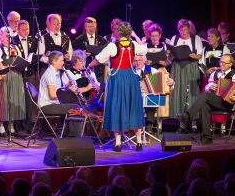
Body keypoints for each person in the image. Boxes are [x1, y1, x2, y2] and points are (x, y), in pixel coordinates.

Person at [89, 21, 148, 152]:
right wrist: (134, 37)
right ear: (129, 33)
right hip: (131, 78)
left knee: (117, 106)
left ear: (118, 32)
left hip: (118, 78)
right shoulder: (133, 45)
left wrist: (89, 66)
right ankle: (138, 142)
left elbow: (98, 59)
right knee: (133, 106)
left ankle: (118, 143)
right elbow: (144, 48)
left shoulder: (112, 46)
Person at [177, 55, 235, 144]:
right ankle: (207, 137)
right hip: (215, 101)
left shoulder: (234, 76)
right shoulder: (215, 73)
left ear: (230, 64)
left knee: (205, 96)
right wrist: (210, 86)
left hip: (227, 104)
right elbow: (207, 87)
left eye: (224, 63)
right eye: (221, 62)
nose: (222, 64)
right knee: (205, 105)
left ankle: (187, 116)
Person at [168, 19, 203, 122]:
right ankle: (178, 119)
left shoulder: (195, 38)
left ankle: (194, 120)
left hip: (190, 66)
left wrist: (194, 55)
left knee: (192, 92)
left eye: (185, 29)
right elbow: (170, 56)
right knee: (177, 91)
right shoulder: (175, 38)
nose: (183, 32)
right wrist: (169, 53)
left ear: (189, 29)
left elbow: (200, 55)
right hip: (177, 67)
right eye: (181, 30)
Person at [132, 54, 175, 137]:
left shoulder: (152, 70)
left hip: (150, 99)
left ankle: (149, 126)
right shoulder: (130, 72)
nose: (138, 63)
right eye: (135, 61)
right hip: (134, 99)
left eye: (140, 60)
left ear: (145, 61)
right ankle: (135, 129)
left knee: (151, 102)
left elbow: (166, 82)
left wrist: (171, 83)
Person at [0, 27, 25, 136]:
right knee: (5, 100)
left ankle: (11, 125)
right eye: (5, 35)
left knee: (14, 100)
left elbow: (20, 59)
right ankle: (0, 124)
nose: (8, 37)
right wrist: (7, 66)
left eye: (9, 35)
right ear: (0, 36)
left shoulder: (14, 47)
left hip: (16, 75)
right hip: (5, 75)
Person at [73, 17, 109, 84]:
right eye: (89, 26)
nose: (91, 29)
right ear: (85, 26)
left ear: (96, 25)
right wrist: (82, 54)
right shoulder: (78, 40)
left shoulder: (102, 40)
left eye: (93, 26)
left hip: (99, 72)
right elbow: (73, 57)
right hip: (85, 71)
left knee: (100, 92)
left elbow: (107, 56)